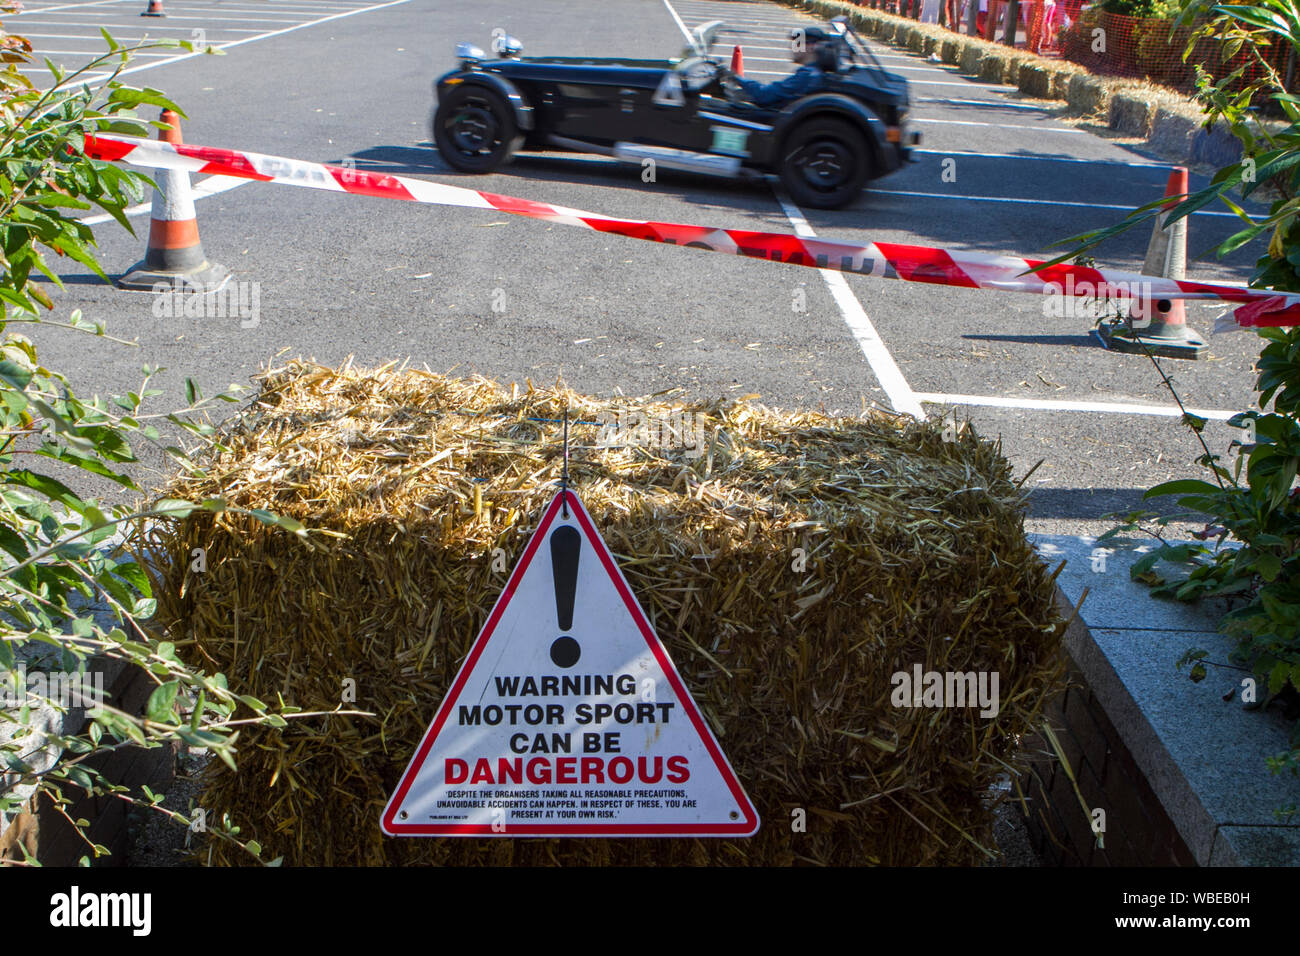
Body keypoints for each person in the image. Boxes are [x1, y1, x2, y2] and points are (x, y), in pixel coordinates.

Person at [731, 27, 836, 108]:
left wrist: (737, 78)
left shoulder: (807, 75)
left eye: (797, 43)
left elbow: (765, 95)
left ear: (812, 47)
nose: (791, 47)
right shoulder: (815, 73)